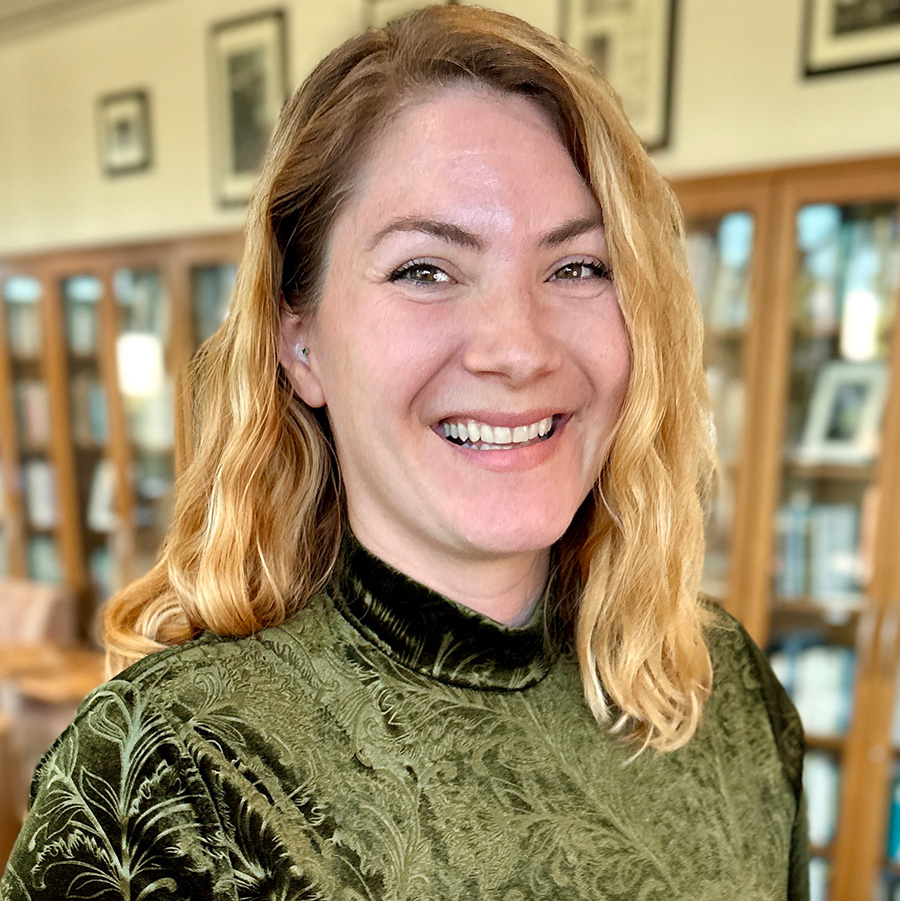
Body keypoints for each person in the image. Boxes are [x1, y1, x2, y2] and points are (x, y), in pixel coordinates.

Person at [0, 6, 808, 900]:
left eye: (579, 266)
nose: (518, 347)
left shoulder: (723, 687)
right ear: (299, 344)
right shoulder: (174, 776)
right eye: (425, 270)